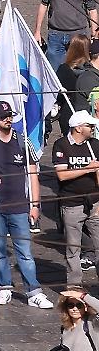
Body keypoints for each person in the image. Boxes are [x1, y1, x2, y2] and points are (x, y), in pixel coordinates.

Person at [0, 99, 52, 308]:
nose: (8, 119)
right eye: (3, 117)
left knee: (25, 253)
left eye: (10, 115)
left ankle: (34, 291)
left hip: (19, 206)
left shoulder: (22, 141)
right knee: (0, 251)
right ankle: (4, 287)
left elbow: (32, 174)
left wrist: (35, 205)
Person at [55, 112, 99, 288]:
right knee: (73, 248)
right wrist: (87, 169)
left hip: (94, 203)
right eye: (90, 126)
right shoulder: (62, 145)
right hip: (72, 204)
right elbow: (62, 175)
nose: (93, 128)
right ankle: (74, 286)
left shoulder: (95, 145)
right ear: (78, 128)